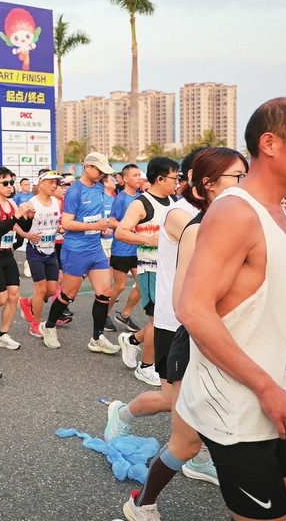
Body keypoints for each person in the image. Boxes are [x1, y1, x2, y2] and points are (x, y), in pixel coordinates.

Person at [176, 98, 286, 521]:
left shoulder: (280, 215)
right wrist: (265, 389)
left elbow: (275, 314)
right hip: (239, 411)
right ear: (271, 143)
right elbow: (193, 309)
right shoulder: (235, 212)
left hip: (282, 398)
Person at [110, 148, 246, 520]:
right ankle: (122, 413)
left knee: (198, 405)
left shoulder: (215, 212)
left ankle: (194, 458)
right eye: (237, 177)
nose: (243, 184)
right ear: (203, 181)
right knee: (174, 402)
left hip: (202, 323)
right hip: (177, 323)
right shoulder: (179, 214)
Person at [40, 152, 119, 354]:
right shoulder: (74, 191)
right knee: (69, 294)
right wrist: (95, 225)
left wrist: (102, 228)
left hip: (95, 248)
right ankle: (49, 326)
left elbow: (95, 216)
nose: (102, 174)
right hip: (75, 249)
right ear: (87, 167)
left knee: (105, 293)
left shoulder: (100, 187)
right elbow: (67, 223)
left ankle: (97, 338)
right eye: (99, 170)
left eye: (104, 172)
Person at [114, 156, 180, 386]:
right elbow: (121, 232)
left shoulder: (173, 200)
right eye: (174, 178)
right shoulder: (141, 203)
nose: (176, 182)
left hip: (170, 270)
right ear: (159, 178)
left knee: (167, 318)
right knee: (157, 320)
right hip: (151, 270)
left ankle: (132, 340)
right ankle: (146, 366)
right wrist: (148, 240)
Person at [0, 166, 35, 352]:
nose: (10, 186)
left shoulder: (12, 204)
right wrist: (18, 215)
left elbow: (23, 227)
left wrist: (29, 217)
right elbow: (0, 229)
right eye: (5, 183)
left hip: (7, 253)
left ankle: (2, 334)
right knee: (0, 298)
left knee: (14, 295)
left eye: (11, 182)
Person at [20, 170, 65, 338]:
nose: (54, 186)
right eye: (50, 182)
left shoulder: (57, 202)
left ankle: (27, 302)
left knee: (51, 290)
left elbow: (55, 224)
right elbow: (16, 224)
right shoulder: (30, 204)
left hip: (50, 251)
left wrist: (60, 229)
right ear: (40, 184)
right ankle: (35, 324)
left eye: (56, 183)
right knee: (41, 289)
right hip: (35, 251)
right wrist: (27, 235)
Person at [107, 164, 142, 333]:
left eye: (139, 175)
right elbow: (111, 221)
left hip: (138, 249)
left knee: (142, 286)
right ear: (126, 179)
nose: (139, 178)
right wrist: (127, 228)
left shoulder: (141, 198)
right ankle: (104, 314)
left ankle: (125, 314)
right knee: (119, 286)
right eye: (135, 175)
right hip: (121, 249)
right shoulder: (121, 199)